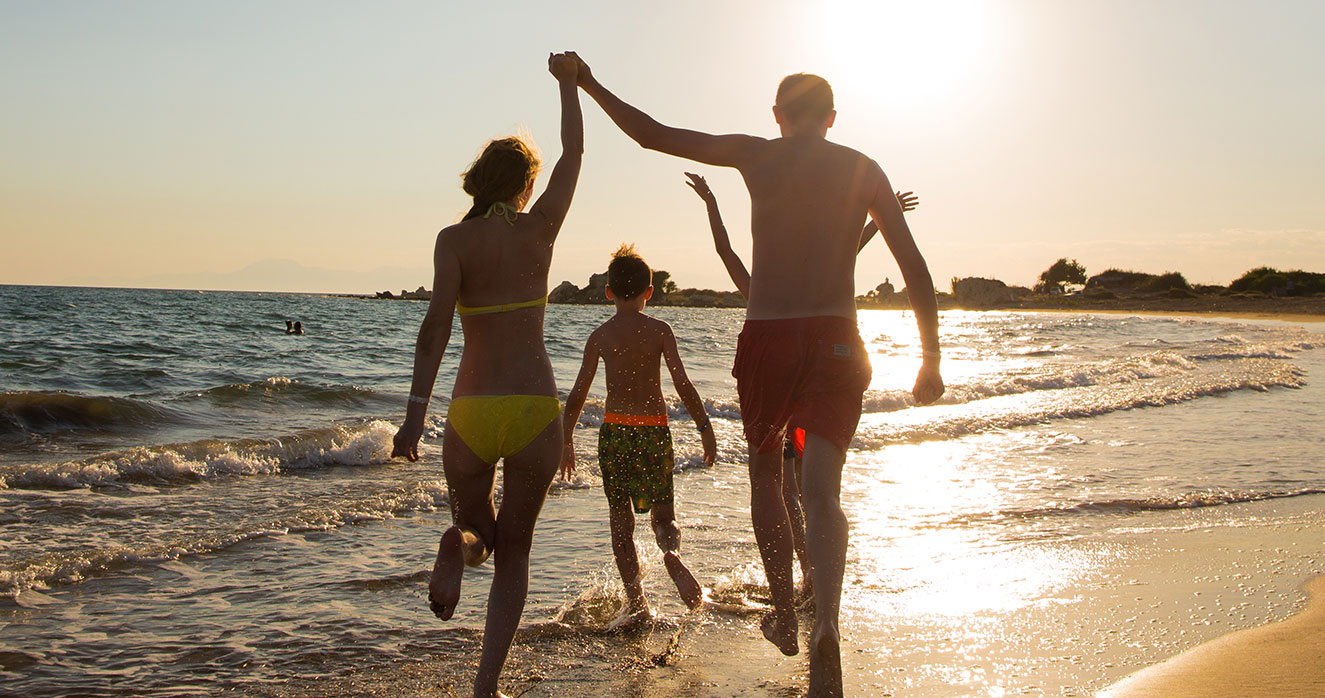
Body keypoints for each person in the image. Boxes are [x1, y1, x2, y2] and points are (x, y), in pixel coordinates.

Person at [574, 57, 944, 697]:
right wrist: (929, 358)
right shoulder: (864, 167)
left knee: (768, 476)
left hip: (770, 338)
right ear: (832, 119)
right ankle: (825, 619)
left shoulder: (757, 154)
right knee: (823, 489)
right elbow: (913, 265)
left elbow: (650, 134)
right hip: (836, 338)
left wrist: (586, 82)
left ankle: (782, 610)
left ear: (777, 117)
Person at [390, 52, 583, 698]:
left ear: (478, 181)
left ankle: (459, 541)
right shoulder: (540, 230)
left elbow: (434, 331)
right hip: (534, 408)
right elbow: (574, 156)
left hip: (471, 412)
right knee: (518, 552)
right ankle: (485, 686)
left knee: (482, 535)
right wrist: (568, 87)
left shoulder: (453, 241)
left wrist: (415, 416)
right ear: (523, 187)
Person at [686, 172, 917, 603]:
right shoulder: (806, 295)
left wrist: (711, 203)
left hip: (777, 395)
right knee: (814, 491)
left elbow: (725, 250)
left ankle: (801, 579)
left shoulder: (756, 292)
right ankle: (814, 577)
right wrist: (885, 217)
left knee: (782, 490)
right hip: (815, 390)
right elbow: (848, 249)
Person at [558, 244, 718, 626]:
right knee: (664, 515)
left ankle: (638, 602)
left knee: (620, 523)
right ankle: (672, 555)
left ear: (609, 292)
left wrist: (566, 441)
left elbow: (578, 394)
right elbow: (683, 384)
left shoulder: (599, 336)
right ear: (650, 291)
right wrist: (704, 427)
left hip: (615, 433)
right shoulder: (660, 331)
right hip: (653, 433)